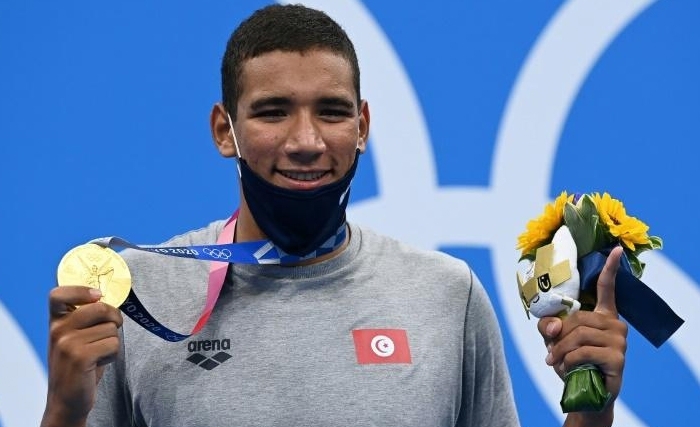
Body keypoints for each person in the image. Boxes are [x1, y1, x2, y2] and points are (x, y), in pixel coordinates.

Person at [41, 4, 627, 427]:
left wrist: (593, 408)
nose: (306, 141)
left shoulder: (447, 295)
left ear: (363, 126)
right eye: (273, 112)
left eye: (331, 112)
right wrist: (63, 414)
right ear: (226, 131)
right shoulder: (140, 295)